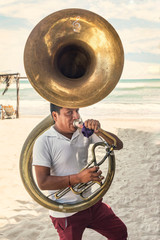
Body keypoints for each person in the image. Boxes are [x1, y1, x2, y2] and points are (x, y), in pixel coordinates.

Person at [32, 103, 128, 240]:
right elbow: (43, 182)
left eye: (77, 110)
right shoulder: (43, 141)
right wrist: (78, 178)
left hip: (91, 203)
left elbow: (118, 145)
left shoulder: (83, 132)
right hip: (66, 212)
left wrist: (99, 130)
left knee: (119, 232)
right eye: (69, 113)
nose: (77, 116)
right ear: (55, 116)